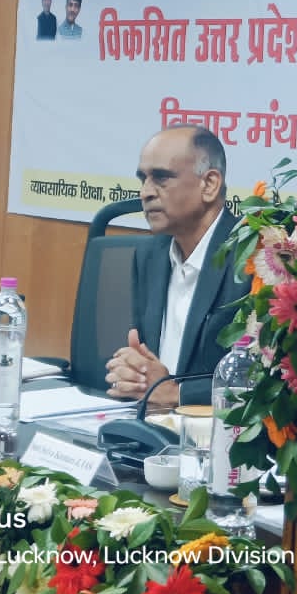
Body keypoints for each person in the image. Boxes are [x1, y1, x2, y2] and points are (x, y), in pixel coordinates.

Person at [105, 125, 247, 406]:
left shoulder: (253, 261)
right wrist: (133, 371)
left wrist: (176, 393)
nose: (145, 193)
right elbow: (147, 364)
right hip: (153, 420)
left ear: (209, 184)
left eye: (161, 178)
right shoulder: (150, 256)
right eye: (143, 179)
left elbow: (262, 380)